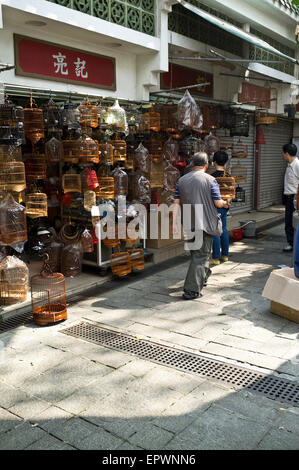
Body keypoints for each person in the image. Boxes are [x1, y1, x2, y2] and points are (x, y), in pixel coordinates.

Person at [173, 152, 230, 300]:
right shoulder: (211, 180)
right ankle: (191, 290)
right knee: (200, 256)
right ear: (206, 165)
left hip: (188, 222)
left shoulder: (181, 180)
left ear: (192, 164)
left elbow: (176, 204)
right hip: (205, 222)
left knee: (198, 253)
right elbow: (218, 203)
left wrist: (174, 222)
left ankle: (202, 278)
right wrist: (225, 203)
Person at [210, 151, 230, 265]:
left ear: (214, 162)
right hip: (226, 206)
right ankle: (225, 255)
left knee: (216, 231)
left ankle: (216, 258)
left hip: (215, 206)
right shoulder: (228, 176)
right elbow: (231, 193)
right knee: (224, 229)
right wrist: (227, 202)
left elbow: (210, 194)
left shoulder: (212, 177)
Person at [282, 143, 299, 252]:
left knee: (292, 222)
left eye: (283, 153)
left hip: (294, 198)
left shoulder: (297, 165)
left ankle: (293, 244)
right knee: (288, 221)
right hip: (288, 197)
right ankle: (291, 243)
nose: (282, 155)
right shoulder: (290, 164)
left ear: (287, 153)